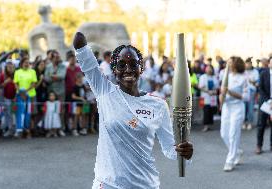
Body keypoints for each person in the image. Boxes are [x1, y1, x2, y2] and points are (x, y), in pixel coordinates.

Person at [73, 32, 193, 188]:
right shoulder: (104, 91)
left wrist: (184, 153)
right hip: (109, 184)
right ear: (114, 69)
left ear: (141, 68)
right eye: (121, 65)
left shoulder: (158, 105)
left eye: (133, 64)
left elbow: (170, 149)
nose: (128, 69)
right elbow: (80, 45)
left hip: (145, 184)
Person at [220, 56, 248, 172]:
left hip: (237, 108)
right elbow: (222, 93)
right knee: (224, 134)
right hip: (227, 107)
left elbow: (246, 97)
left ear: (235, 65)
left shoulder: (243, 78)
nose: (227, 65)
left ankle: (230, 160)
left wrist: (230, 92)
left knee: (233, 134)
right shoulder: (225, 76)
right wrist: (221, 99)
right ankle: (237, 151)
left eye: (229, 63)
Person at [44, 50, 67, 136]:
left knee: (61, 110)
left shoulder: (63, 66)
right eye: (56, 57)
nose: (58, 59)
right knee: (51, 111)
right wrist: (55, 77)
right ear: (52, 58)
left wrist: (52, 76)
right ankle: (51, 129)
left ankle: (60, 129)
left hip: (61, 91)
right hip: (51, 91)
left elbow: (62, 76)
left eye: (58, 57)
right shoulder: (48, 66)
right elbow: (46, 78)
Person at [256, 58, 272, 154]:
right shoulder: (263, 74)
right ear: (269, 64)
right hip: (265, 103)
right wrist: (269, 101)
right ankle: (259, 145)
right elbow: (260, 89)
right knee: (261, 124)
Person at [199, 65, 218, 132]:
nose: (209, 70)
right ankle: (205, 126)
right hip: (205, 97)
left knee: (211, 110)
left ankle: (209, 125)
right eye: (208, 68)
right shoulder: (203, 77)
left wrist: (214, 91)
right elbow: (201, 87)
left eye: (210, 68)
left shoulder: (214, 77)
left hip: (212, 97)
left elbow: (216, 86)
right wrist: (208, 91)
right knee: (206, 111)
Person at [0, 61, 16, 137]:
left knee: (14, 114)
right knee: (7, 114)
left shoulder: (16, 75)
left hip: (15, 98)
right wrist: (6, 82)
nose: (10, 68)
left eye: (12, 67)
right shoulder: (3, 75)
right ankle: (9, 129)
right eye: (8, 67)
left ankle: (14, 129)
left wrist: (15, 96)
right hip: (6, 98)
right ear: (6, 68)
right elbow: (0, 86)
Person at [243, 57, 259, 130]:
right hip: (243, 91)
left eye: (249, 64)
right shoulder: (242, 71)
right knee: (243, 107)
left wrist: (252, 82)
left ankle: (249, 122)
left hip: (251, 91)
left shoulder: (255, 72)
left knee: (250, 107)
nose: (247, 65)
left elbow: (257, 82)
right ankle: (243, 122)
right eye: (246, 64)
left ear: (251, 64)